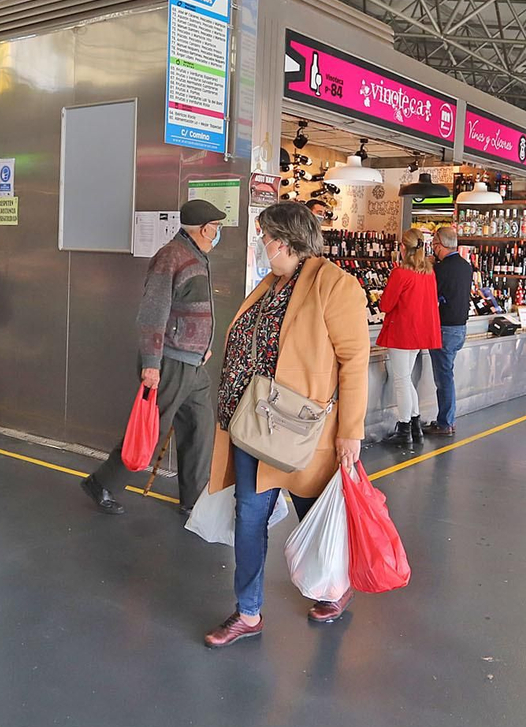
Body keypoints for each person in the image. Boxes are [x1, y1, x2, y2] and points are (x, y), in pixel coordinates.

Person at [203, 202, 369, 647]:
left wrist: (350, 432)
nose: (261, 244)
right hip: (253, 427)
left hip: (302, 433)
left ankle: (334, 587)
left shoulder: (335, 285)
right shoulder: (271, 285)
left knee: (316, 516)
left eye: (265, 236)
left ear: (286, 239)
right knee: (249, 519)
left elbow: (355, 362)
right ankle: (248, 611)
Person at [81, 199, 225, 516]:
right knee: (150, 430)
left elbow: (191, 310)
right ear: (204, 229)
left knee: (200, 431)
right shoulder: (171, 256)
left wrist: (203, 344)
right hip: (171, 361)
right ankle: (103, 482)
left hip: (194, 364)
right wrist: (151, 362)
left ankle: (194, 499)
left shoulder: (195, 256)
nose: (217, 233)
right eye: (216, 228)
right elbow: (152, 314)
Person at [377, 229, 440, 447]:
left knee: (401, 380)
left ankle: (404, 429)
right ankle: (414, 425)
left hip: (402, 332)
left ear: (402, 248)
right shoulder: (428, 273)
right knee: (406, 378)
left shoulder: (400, 273)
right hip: (420, 333)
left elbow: (385, 304)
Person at [426, 226, 473, 438]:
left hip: (444, 328)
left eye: (434, 245)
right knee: (447, 374)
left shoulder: (441, 270)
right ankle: (447, 419)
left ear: (440, 245)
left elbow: (430, 295)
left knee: (443, 378)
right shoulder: (465, 266)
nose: (433, 249)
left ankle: (445, 422)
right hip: (460, 328)